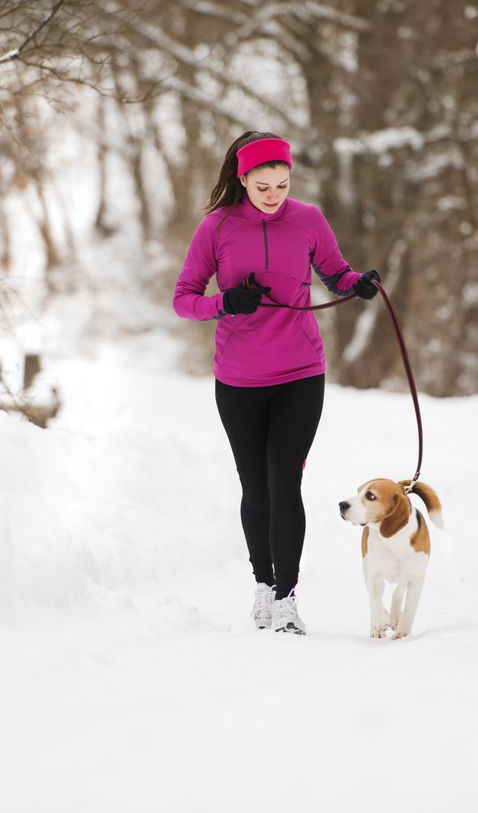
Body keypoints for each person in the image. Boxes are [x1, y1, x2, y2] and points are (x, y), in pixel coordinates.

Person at [172, 131, 380, 635]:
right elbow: (183, 298)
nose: (273, 195)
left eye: (282, 185)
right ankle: (262, 587)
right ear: (242, 180)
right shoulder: (216, 228)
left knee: (286, 480)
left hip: (300, 373)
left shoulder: (307, 219)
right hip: (239, 379)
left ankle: (287, 599)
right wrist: (225, 303)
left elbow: (335, 271)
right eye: (262, 185)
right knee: (256, 487)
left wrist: (358, 285)